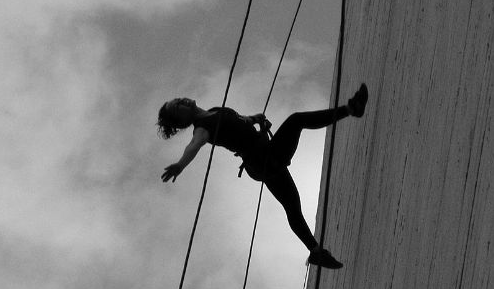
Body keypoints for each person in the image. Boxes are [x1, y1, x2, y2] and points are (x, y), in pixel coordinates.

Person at [158, 84, 369, 267]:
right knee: (296, 120)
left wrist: (254, 118)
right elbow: (194, 146)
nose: (181, 101)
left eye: (177, 100)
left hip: (266, 159)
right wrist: (180, 164)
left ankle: (315, 252)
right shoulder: (202, 129)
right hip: (263, 159)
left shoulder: (215, 111)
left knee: (292, 207)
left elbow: (240, 121)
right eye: (178, 107)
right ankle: (351, 109)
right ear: (182, 120)